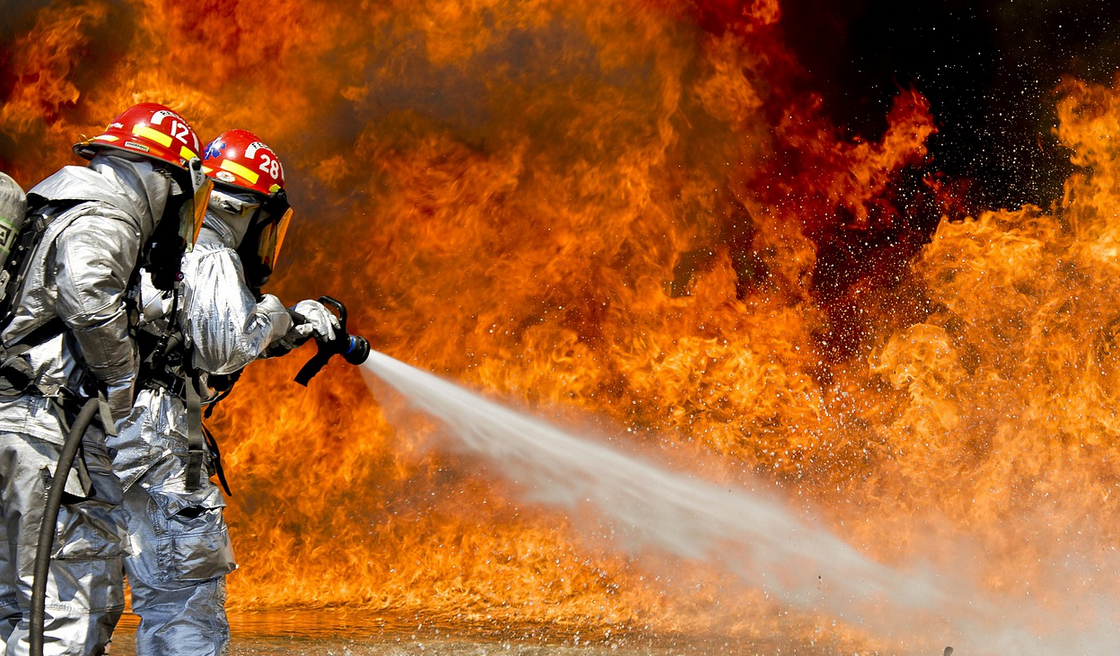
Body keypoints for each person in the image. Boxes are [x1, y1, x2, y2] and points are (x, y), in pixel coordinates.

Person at [108, 128, 338, 656]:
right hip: (157, 439)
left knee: (78, 595)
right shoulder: (210, 250)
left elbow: (186, 331)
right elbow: (226, 347)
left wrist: (288, 328)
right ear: (250, 209)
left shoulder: (153, 240)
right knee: (183, 600)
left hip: (104, 429)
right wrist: (283, 314)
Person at [0, 103, 211, 656]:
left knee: (15, 606)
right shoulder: (106, 215)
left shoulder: (53, 204)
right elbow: (89, 298)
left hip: (13, 424)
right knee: (72, 606)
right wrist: (120, 383)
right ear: (158, 178)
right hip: (46, 433)